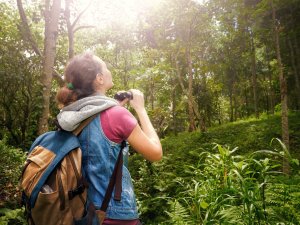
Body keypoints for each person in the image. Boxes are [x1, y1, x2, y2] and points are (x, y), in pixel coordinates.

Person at [55, 52, 162, 225]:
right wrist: (140, 110)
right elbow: (155, 153)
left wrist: (115, 109)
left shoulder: (68, 115)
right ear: (99, 79)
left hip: (79, 213)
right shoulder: (117, 115)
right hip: (114, 215)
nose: (108, 70)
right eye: (105, 67)